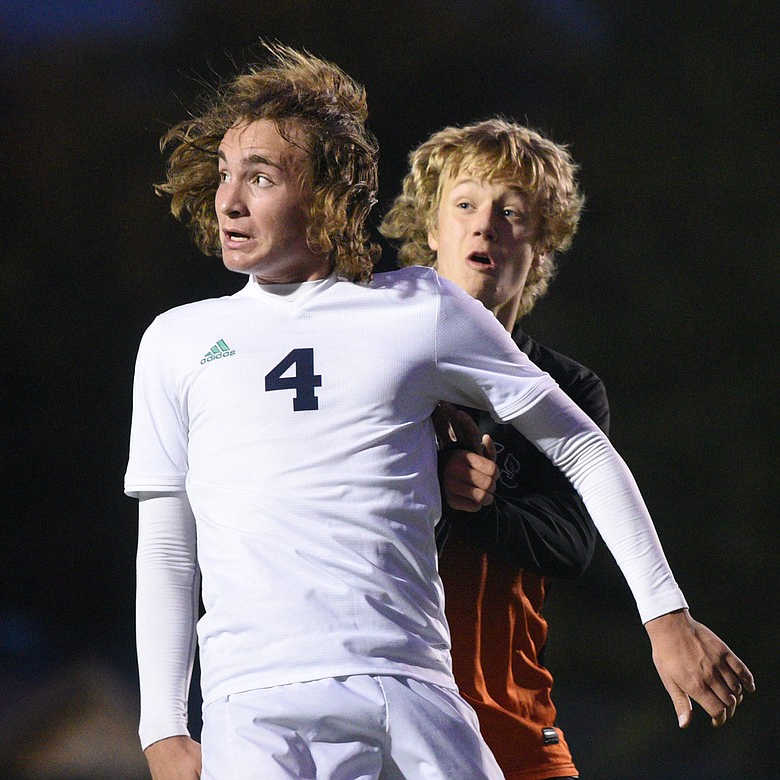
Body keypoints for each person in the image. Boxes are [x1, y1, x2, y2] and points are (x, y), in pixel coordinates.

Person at [126, 44, 752, 780]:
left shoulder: (420, 311)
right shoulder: (178, 340)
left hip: (413, 692)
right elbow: (169, 544)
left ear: (328, 192)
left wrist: (666, 617)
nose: (229, 199)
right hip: (258, 708)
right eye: (226, 175)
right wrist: (163, 727)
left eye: (259, 178)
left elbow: (582, 450)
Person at [379, 118, 602, 779]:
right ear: (431, 229)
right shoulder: (373, 358)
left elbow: (572, 544)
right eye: (466, 204)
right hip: (379, 723)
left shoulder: (565, 387)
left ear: (544, 242)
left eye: (512, 212)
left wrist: (483, 504)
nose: (485, 225)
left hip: (513, 724)